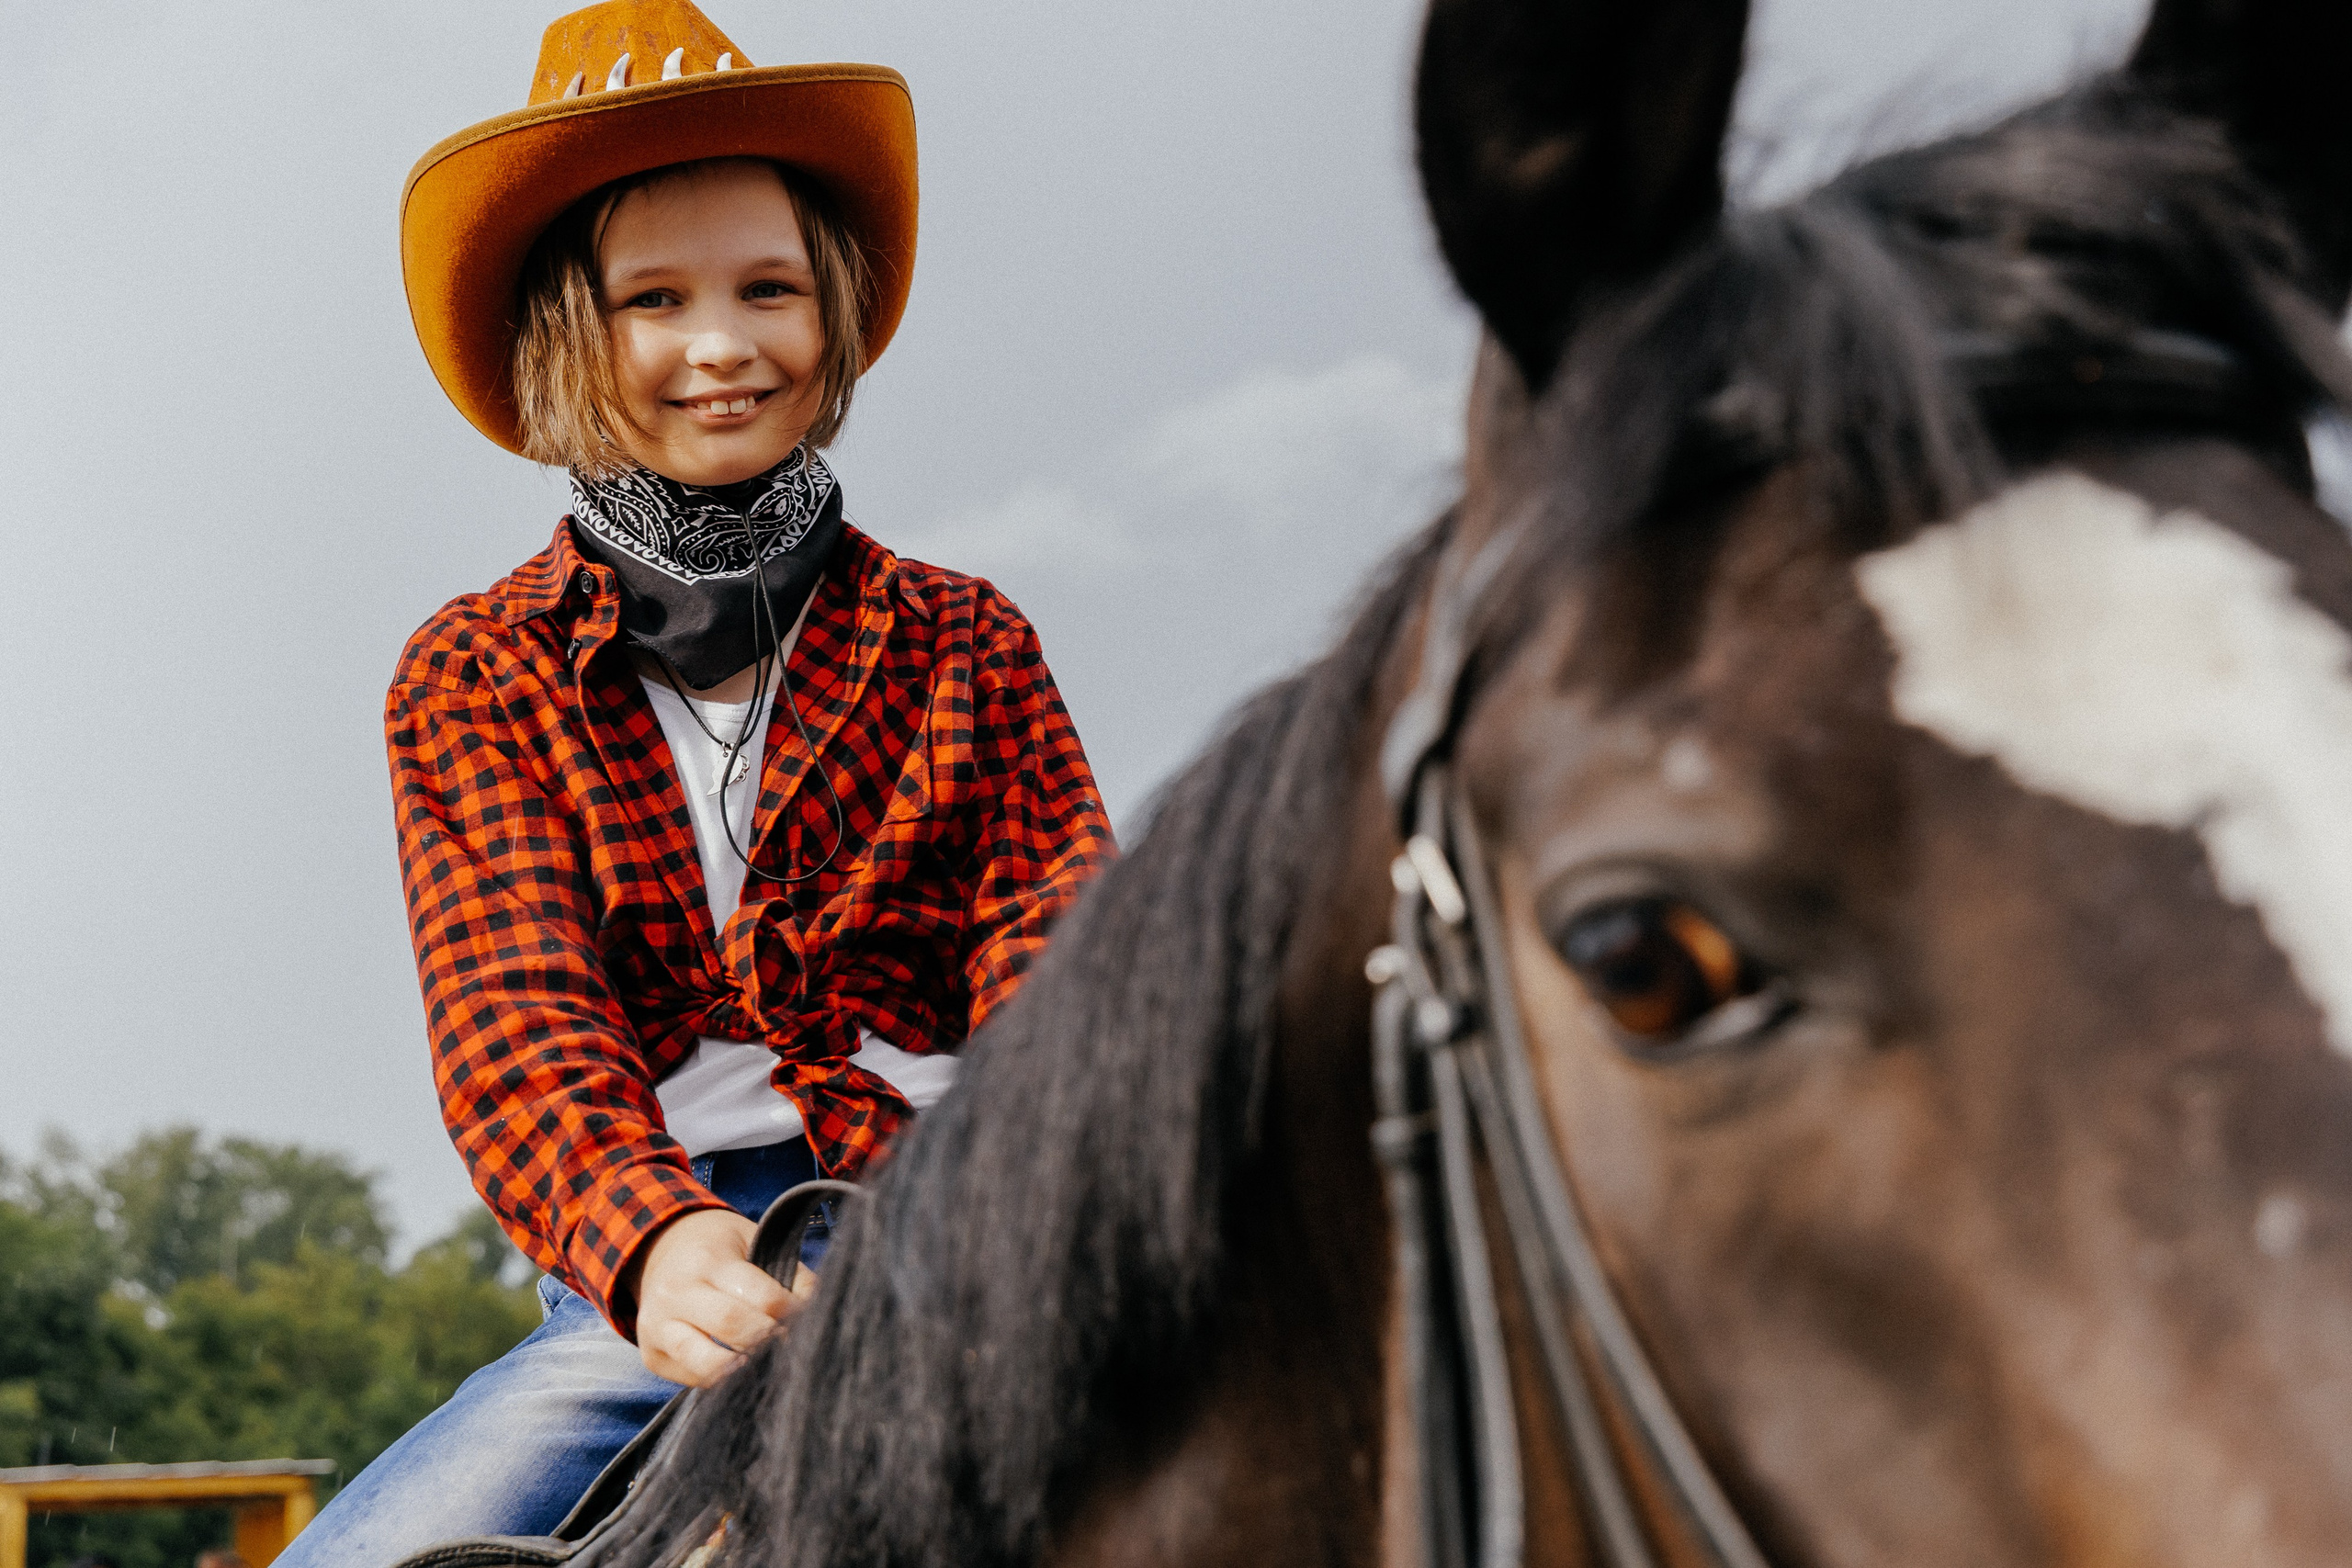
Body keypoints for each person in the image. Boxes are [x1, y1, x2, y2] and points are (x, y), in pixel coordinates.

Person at [274, 2, 1112, 1562]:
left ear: (834, 312)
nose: (722, 344)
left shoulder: (966, 640)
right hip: (670, 1260)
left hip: (971, 1214)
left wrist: (1036, 1205)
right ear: (564, 339)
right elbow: (518, 1033)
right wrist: (650, 1246)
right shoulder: (473, 673)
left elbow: (1054, 964)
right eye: (653, 299)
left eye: (768, 288)